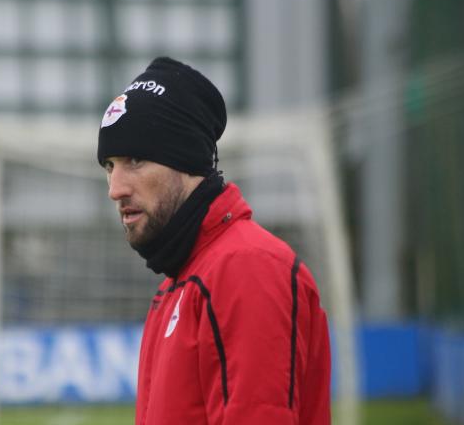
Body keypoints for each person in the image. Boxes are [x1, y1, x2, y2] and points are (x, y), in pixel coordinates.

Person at [97, 57, 331, 425]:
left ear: (185, 161)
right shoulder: (178, 284)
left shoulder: (247, 269)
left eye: (136, 160)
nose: (115, 189)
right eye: (109, 166)